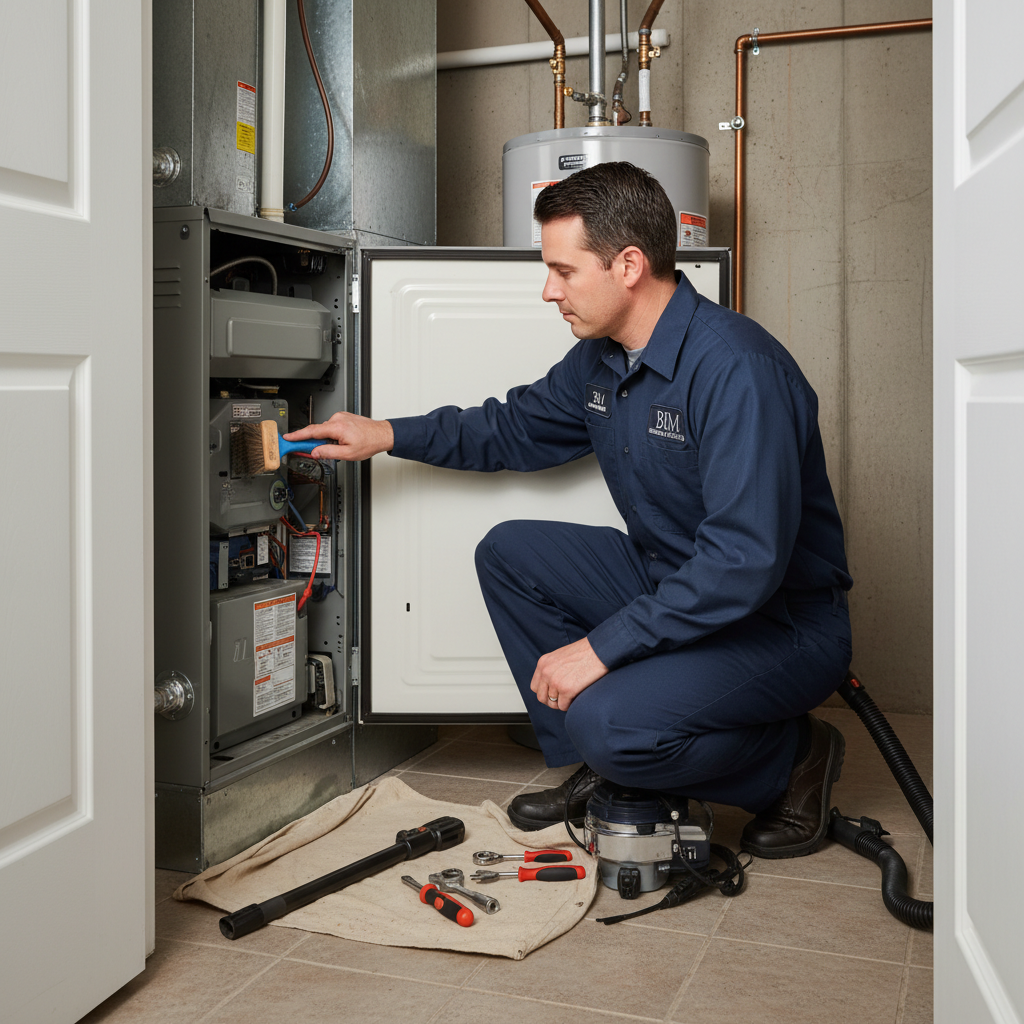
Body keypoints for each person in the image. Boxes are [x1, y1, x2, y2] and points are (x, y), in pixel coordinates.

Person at [285, 162, 853, 860]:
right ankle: (611, 766)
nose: (548, 290)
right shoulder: (602, 359)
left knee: (610, 720)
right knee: (511, 552)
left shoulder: (736, 369)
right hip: (673, 582)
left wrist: (601, 648)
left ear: (629, 265)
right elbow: (510, 428)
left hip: (780, 624)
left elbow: (743, 562)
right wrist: (387, 434)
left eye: (562, 270)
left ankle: (792, 757)